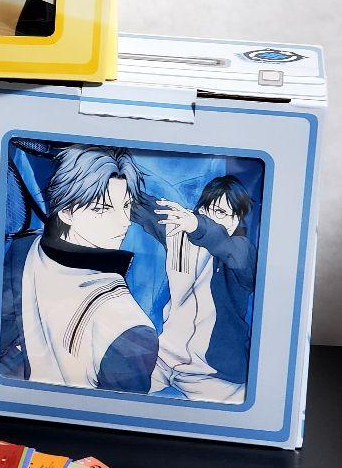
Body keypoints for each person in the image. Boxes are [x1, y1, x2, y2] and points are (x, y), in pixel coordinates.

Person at [16, 146, 159, 392]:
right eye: (101, 209)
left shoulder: (25, 249)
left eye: (126, 206)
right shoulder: (129, 327)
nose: (123, 222)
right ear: (66, 212)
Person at [144, 175, 259, 403]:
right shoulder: (179, 233)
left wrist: (197, 225)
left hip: (213, 373)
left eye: (224, 213)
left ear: (237, 219)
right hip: (164, 359)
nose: (214, 218)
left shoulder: (241, 251)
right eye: (209, 210)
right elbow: (146, 208)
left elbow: (224, 245)